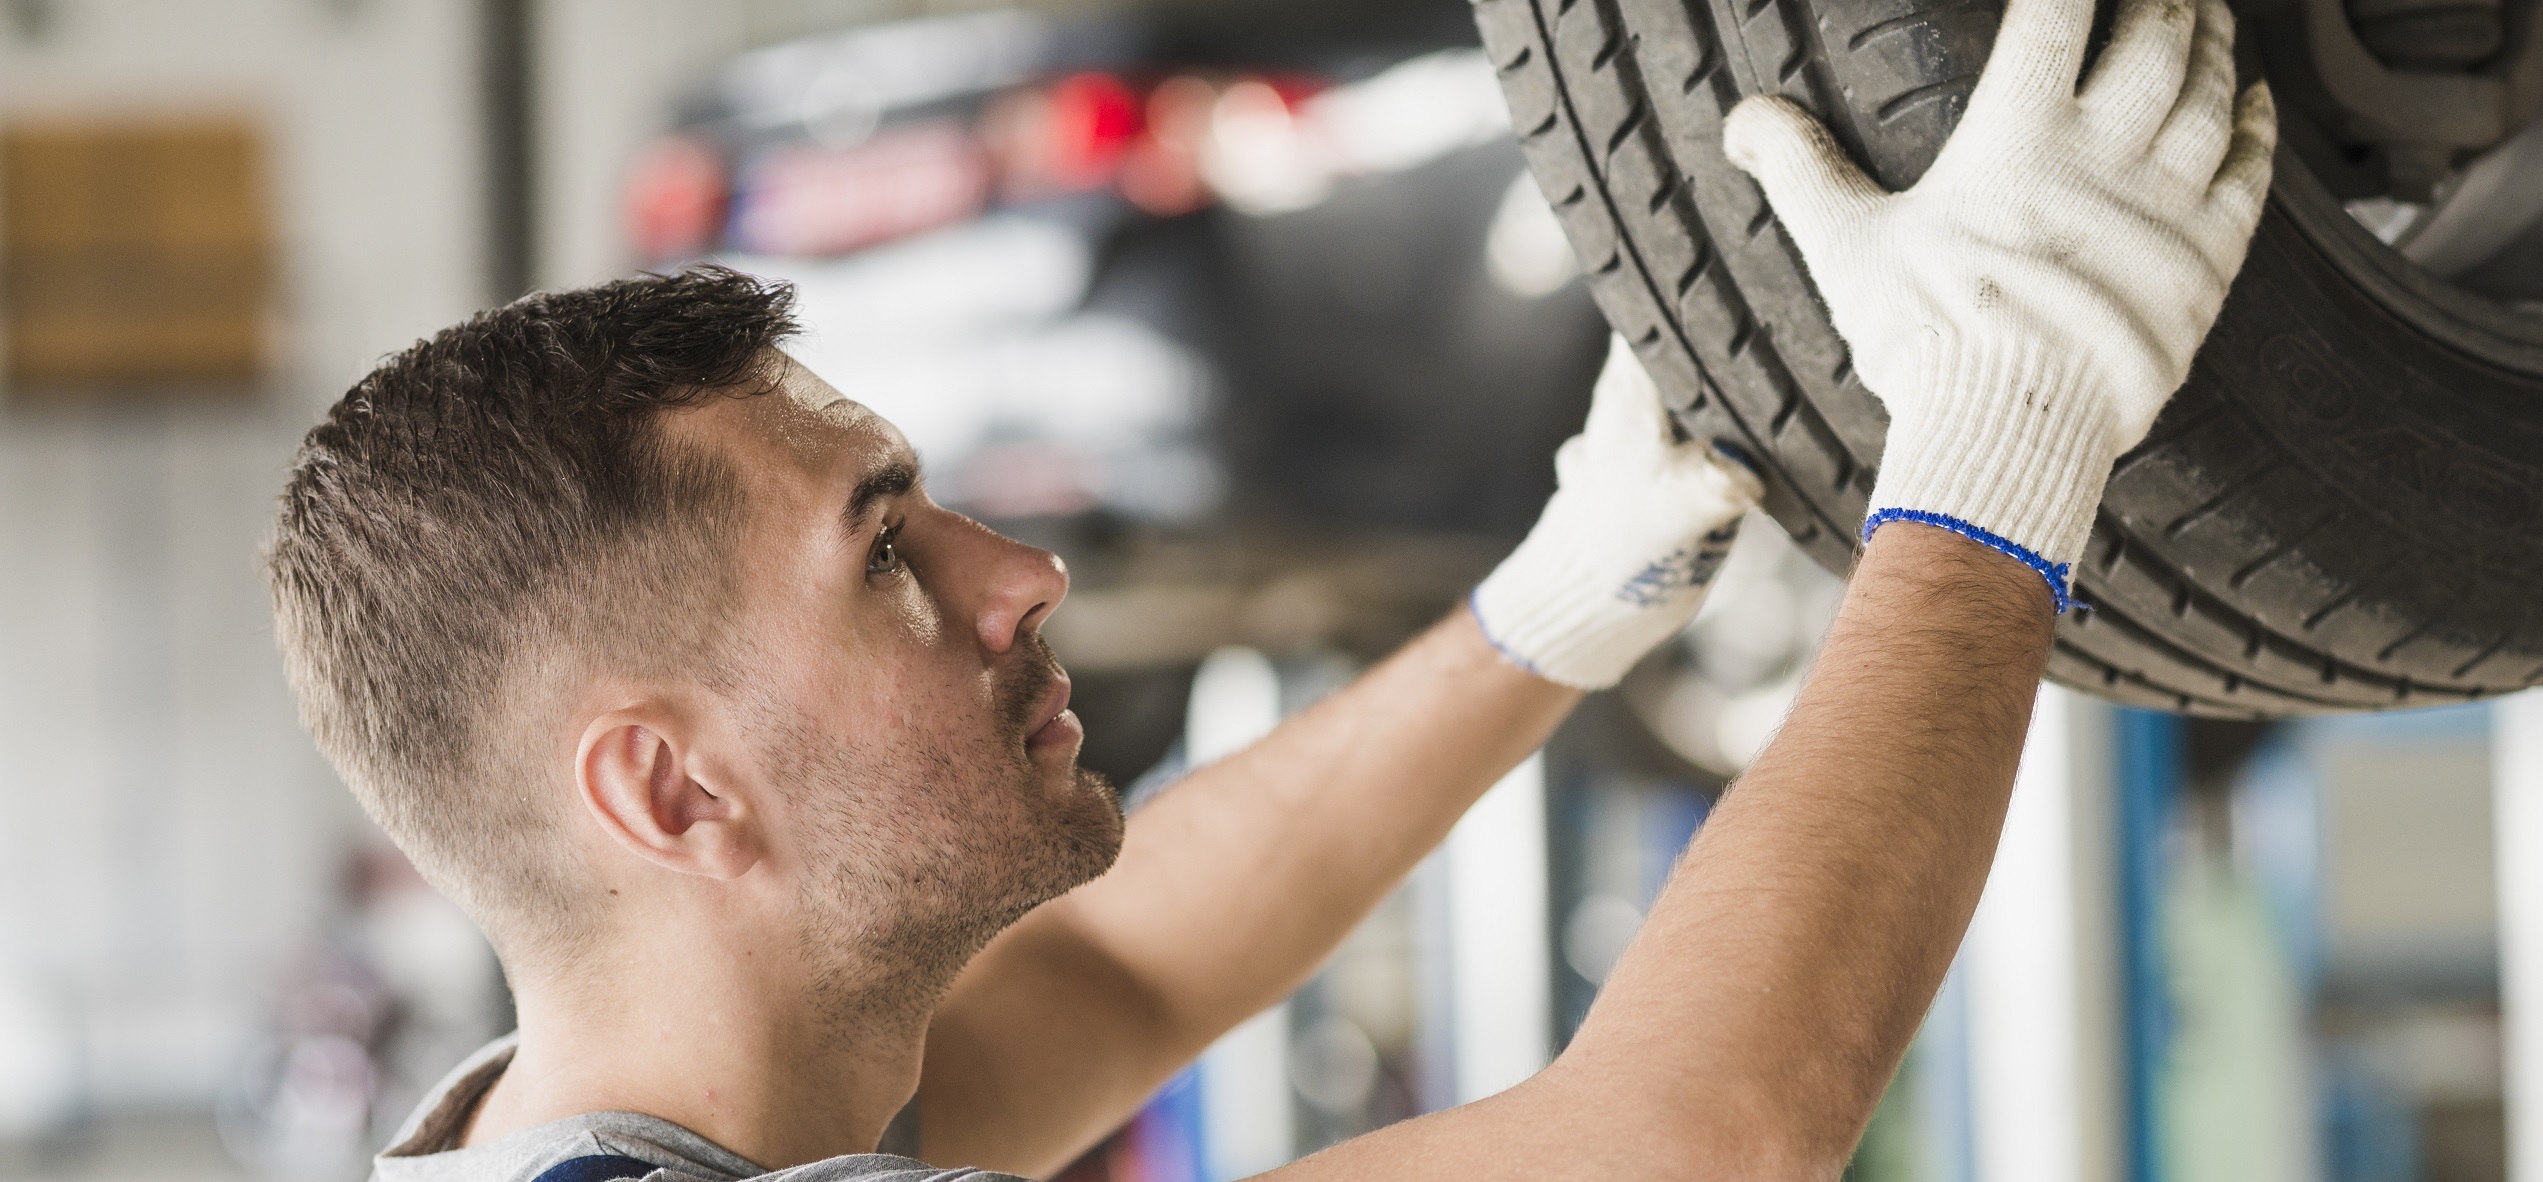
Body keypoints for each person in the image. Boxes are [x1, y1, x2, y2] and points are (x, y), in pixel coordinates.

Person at [264, 0, 2272, 1175]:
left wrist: (1546, 613)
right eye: (883, 556)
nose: (1020, 572)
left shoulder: (628, 1119)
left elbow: (1115, 976)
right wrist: (2002, 442)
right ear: (672, 795)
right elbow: (1689, 1136)